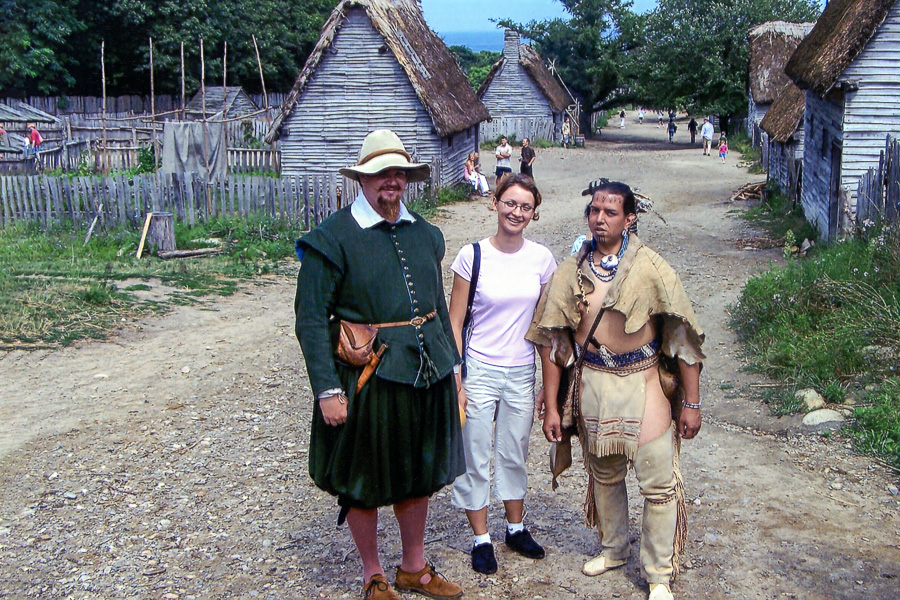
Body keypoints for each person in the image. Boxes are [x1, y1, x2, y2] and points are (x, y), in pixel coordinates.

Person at [295, 129, 465, 600]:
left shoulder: (426, 234)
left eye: (399, 174)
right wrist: (327, 389)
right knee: (363, 475)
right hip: (369, 376)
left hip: (426, 371)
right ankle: (372, 573)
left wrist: (453, 372)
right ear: (362, 179)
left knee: (419, 471)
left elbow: (436, 306)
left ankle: (414, 567)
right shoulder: (330, 239)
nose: (391, 182)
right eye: (381, 174)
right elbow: (310, 320)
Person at [527, 179, 704, 600]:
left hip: (644, 384)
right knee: (604, 475)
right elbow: (555, 343)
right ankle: (613, 549)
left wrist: (692, 403)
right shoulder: (570, 271)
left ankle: (659, 572)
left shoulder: (653, 268)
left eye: (610, 212)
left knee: (658, 481)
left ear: (629, 218)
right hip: (592, 384)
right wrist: (552, 405)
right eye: (594, 211)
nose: (600, 219)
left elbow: (683, 339)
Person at [449, 173, 557, 575]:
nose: (517, 212)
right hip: (479, 366)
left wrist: (548, 388)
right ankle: (481, 538)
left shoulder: (542, 260)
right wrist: (456, 379)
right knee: (475, 452)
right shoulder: (472, 255)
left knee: (513, 451)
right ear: (494, 203)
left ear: (534, 213)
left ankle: (515, 527)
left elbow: (546, 328)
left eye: (525, 207)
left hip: (521, 369)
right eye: (510, 203)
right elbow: (455, 321)